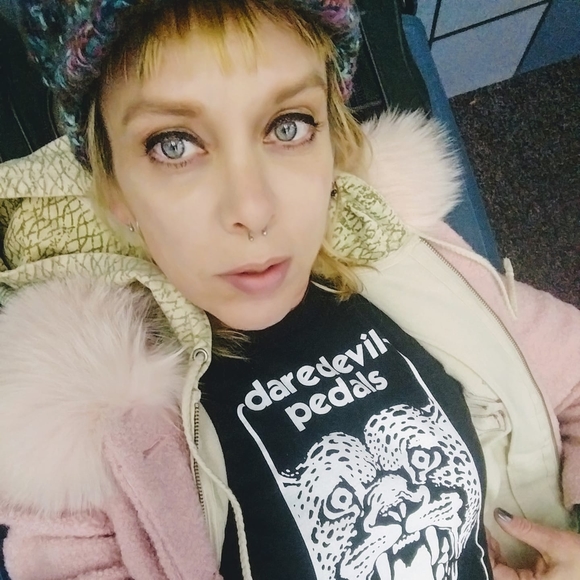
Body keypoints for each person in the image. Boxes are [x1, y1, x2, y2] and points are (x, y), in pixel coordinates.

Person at [0, 0, 578, 578]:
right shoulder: (79, 433)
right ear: (115, 188)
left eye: (288, 127)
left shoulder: (406, 252)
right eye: (173, 144)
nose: (254, 209)